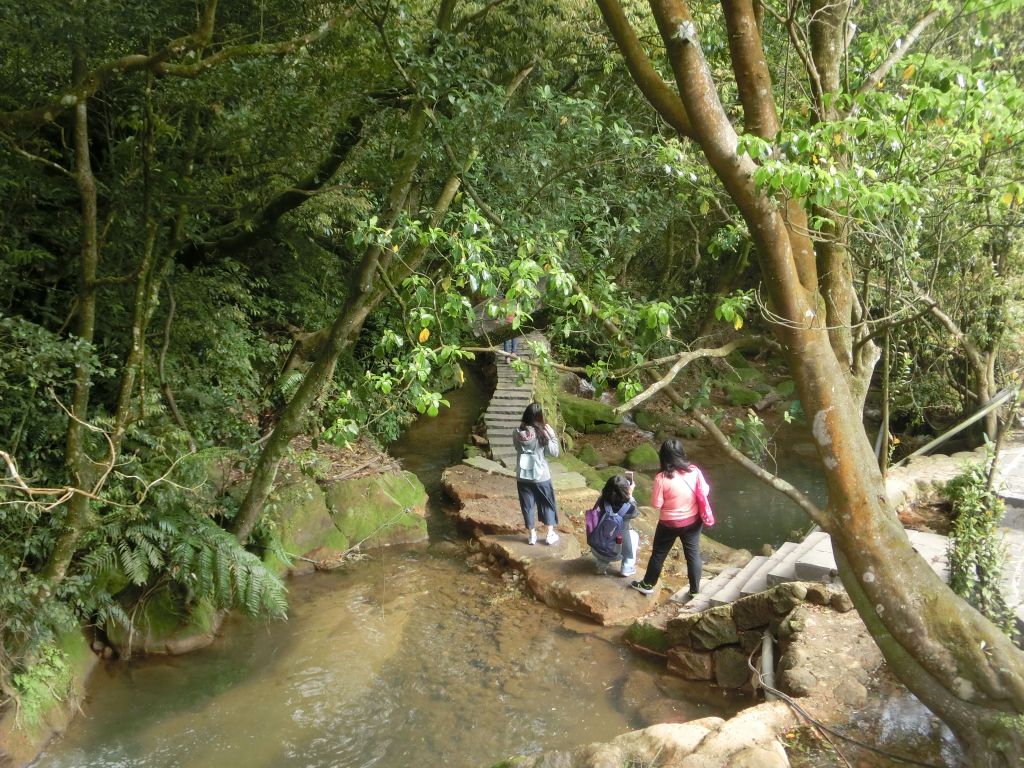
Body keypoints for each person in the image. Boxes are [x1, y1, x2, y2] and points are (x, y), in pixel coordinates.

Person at [631, 438, 710, 598]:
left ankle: (647, 584)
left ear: (663, 456)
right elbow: (705, 491)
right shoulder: (694, 471)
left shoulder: (662, 478)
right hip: (693, 521)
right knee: (693, 554)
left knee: (659, 554)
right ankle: (694, 591)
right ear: (681, 453)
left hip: (669, 523)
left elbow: (656, 504)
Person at [513, 402, 561, 545]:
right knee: (547, 503)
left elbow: (517, 448)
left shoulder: (516, 432)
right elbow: (554, 452)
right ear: (539, 417)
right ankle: (549, 535)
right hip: (541, 477)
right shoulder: (542, 433)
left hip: (522, 476)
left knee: (527, 506)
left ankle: (532, 535)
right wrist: (552, 436)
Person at [587, 474, 640, 576]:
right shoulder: (630, 507)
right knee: (633, 535)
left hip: (598, 546)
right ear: (626, 490)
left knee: (606, 535)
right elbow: (636, 514)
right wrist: (630, 496)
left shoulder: (602, 500)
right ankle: (627, 567)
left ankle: (601, 566)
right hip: (617, 552)